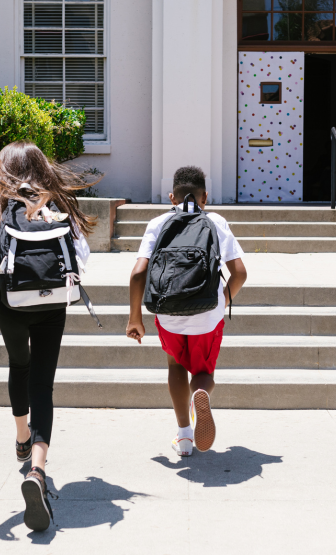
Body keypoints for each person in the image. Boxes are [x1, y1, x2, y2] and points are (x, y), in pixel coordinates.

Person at [0, 141, 94, 532]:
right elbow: (83, 257)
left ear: (3, 169)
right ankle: (38, 472)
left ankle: (21, 436)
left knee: (19, 366)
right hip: (53, 303)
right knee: (42, 383)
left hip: (12, 302)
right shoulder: (59, 205)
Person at [126, 166, 247, 457]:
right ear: (205, 196)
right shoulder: (215, 221)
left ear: (171, 196)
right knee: (203, 372)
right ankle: (200, 393)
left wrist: (135, 319)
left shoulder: (158, 222)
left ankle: (183, 436)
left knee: (175, 366)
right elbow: (240, 273)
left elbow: (138, 274)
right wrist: (224, 299)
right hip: (208, 314)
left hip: (168, 312)